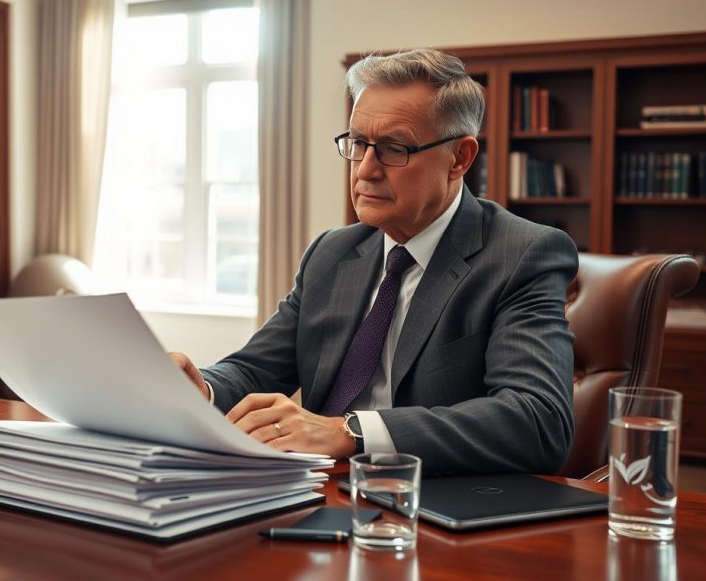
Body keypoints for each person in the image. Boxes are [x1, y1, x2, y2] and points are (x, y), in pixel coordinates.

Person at [171, 49, 577, 475]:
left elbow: (538, 420)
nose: (365, 170)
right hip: (319, 493)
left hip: (435, 509)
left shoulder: (524, 255)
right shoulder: (333, 252)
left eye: (393, 148)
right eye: (358, 143)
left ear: (460, 158)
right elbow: (254, 370)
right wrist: (203, 388)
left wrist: (352, 432)